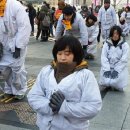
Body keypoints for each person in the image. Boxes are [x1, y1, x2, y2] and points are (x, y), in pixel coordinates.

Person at [27, 35, 102, 130]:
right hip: (44, 126)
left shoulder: (86, 76)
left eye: (67, 54)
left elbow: (92, 106)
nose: (62, 58)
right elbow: (33, 96)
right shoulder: (46, 71)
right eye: (59, 54)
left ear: (76, 54)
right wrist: (50, 107)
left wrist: (63, 107)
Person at [0, 0, 31, 99]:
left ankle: (20, 90)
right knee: (4, 69)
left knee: (17, 69)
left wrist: (18, 46)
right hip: (3, 44)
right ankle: (9, 89)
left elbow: (24, 26)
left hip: (17, 43)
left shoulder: (15, 5)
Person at [99, 26, 129, 91]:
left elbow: (124, 59)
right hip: (108, 67)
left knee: (115, 83)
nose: (115, 35)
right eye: (113, 33)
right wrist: (106, 69)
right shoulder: (106, 44)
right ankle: (107, 84)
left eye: (117, 34)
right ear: (111, 34)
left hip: (119, 68)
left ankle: (116, 84)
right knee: (105, 82)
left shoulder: (125, 45)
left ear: (120, 34)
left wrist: (117, 70)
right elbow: (103, 57)